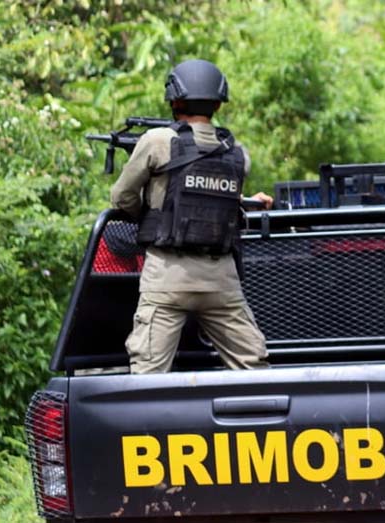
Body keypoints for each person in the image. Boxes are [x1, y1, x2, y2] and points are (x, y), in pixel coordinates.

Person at [110, 59, 271, 373]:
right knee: (253, 368)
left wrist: (151, 215)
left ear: (175, 99)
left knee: (148, 375)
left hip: (167, 278)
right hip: (221, 282)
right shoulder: (237, 152)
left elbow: (121, 197)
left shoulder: (157, 141)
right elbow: (217, 199)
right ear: (217, 103)